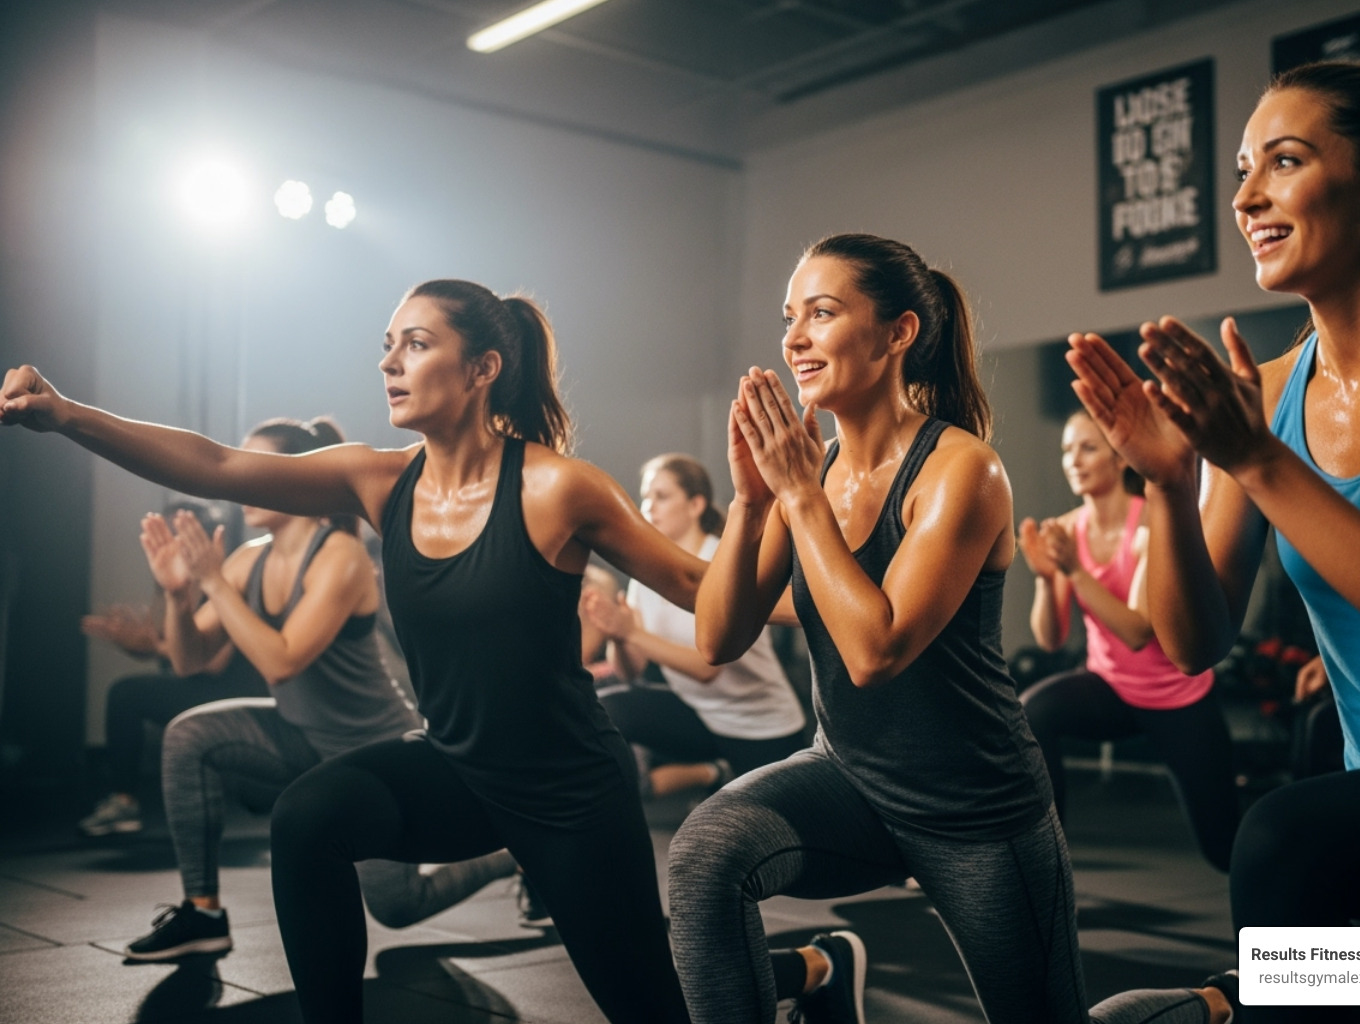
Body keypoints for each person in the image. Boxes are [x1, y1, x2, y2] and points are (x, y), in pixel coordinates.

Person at [1, 279, 699, 1024]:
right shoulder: (380, 478)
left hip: (569, 791)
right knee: (308, 816)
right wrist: (69, 416)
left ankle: (800, 975)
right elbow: (215, 465)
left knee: (650, 1005)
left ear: (482, 368)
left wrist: (785, 530)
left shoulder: (558, 487)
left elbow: (697, 584)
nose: (390, 363)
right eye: (387, 346)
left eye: (417, 344)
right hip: (457, 767)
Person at [1066, 61, 1360, 1023]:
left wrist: (1258, 460)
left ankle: (1255, 993)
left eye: (1283, 162)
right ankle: (1295, 984)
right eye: (1243, 170)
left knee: (1285, 838)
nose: (1245, 198)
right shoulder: (1271, 388)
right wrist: (1171, 481)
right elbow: (1191, 643)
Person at [669, 233, 1234, 1024]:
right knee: (704, 856)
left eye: (822, 313)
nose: (794, 337)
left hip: (977, 811)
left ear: (900, 332)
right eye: (789, 317)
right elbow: (717, 639)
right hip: (851, 781)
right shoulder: (811, 474)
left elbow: (876, 651)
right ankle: (825, 977)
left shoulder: (961, 469)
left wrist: (797, 497)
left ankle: (1212, 1004)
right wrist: (755, 502)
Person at [120, 417, 515, 962]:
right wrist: (180, 596)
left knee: (397, 907)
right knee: (189, 736)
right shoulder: (246, 559)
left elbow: (280, 661)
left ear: (294, 479)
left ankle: (514, 857)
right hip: (300, 737)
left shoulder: (341, 557)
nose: (244, 483)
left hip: (373, 751)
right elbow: (190, 661)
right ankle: (202, 912)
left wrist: (213, 583)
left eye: (260, 469)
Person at [1018, 410, 1238, 871]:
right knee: (1033, 712)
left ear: (1120, 460)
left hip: (1178, 701)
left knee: (1225, 847)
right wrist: (1045, 579)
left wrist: (1075, 569)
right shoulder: (1068, 529)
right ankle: (1049, 858)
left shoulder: (1151, 526)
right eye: (1067, 450)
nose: (1073, 460)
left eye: (1088, 448)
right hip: (1110, 690)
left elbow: (1138, 631)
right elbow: (1052, 640)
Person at [583, 452, 805, 798]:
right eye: (645, 496)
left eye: (661, 496)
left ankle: (720, 774)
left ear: (696, 504)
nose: (647, 506)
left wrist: (632, 632)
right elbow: (631, 672)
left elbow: (708, 666)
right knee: (608, 707)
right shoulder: (646, 573)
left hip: (761, 728)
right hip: (699, 716)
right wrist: (619, 635)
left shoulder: (725, 560)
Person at [77, 500, 264, 837]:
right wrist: (138, 642)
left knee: (126, 694)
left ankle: (125, 799)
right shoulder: (172, 581)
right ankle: (124, 802)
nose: (166, 545)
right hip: (198, 685)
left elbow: (210, 663)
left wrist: (151, 646)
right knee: (128, 694)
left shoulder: (226, 578)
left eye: (173, 536)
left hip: (235, 692)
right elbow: (174, 654)